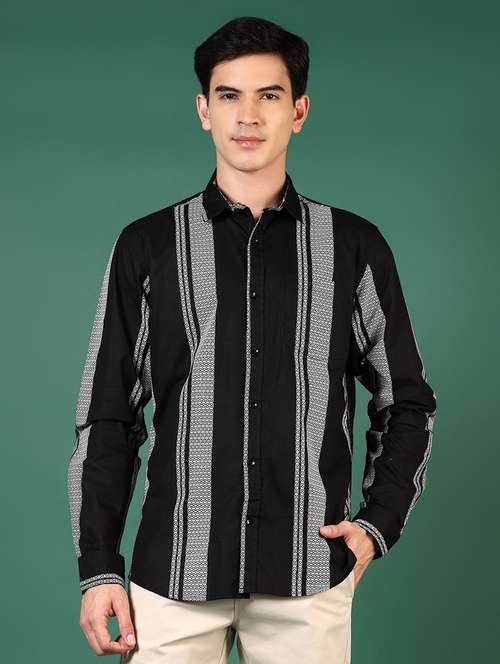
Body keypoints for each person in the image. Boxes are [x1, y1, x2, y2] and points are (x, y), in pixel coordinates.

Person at [67, 15, 437, 663]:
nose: (248, 115)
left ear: (299, 111)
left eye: (269, 95)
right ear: (203, 110)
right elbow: (108, 417)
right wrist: (99, 567)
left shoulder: (353, 246)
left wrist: (377, 524)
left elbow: (405, 400)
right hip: (172, 579)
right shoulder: (148, 246)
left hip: (308, 580)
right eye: (229, 95)